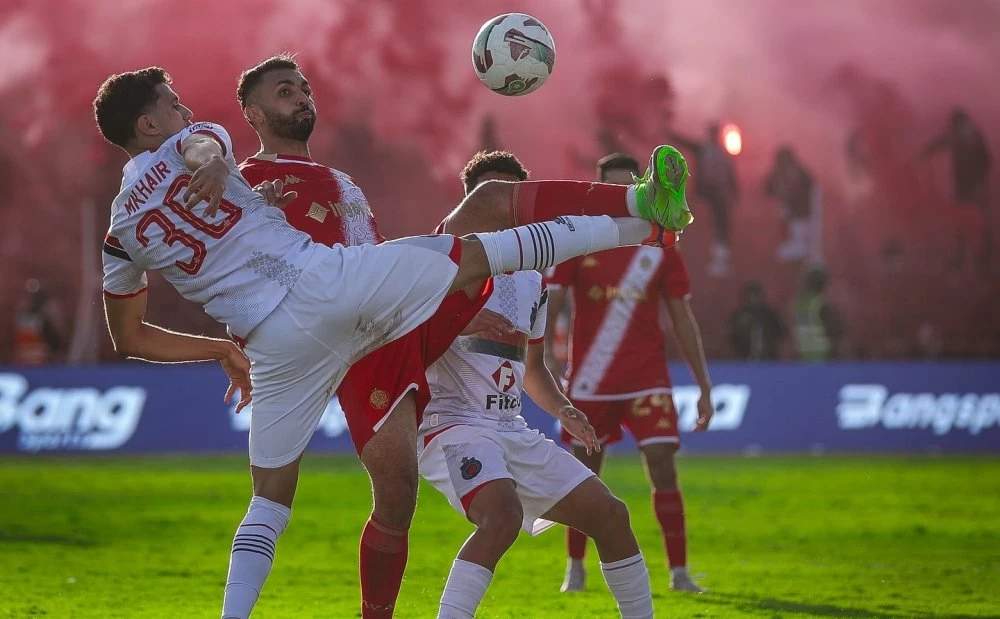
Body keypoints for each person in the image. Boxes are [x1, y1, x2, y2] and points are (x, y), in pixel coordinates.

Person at [92, 66, 692, 619]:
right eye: (283, 91)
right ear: (245, 113)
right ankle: (645, 215)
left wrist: (223, 345)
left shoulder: (126, 226)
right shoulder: (215, 156)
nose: (301, 96)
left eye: (303, 87)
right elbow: (200, 148)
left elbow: (131, 333)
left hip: (316, 332)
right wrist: (220, 163)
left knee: (274, 497)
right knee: (483, 234)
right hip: (345, 304)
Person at [418, 151, 656, 619]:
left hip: (511, 427)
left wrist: (563, 409)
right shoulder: (439, 262)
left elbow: (532, 366)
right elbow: (396, 334)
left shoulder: (532, 279)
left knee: (612, 516)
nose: (502, 212)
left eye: (513, 203)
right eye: (491, 198)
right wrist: (455, 325)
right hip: (452, 425)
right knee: (500, 517)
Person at [545, 153, 714, 594]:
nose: (621, 199)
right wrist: (539, 361)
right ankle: (575, 570)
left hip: (648, 377)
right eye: (611, 191)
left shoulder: (662, 244)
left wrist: (703, 385)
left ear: (641, 189)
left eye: (629, 190)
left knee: (662, 467)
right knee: (585, 475)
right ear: (599, 192)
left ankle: (679, 574)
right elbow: (552, 305)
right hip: (590, 380)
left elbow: (682, 318)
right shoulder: (579, 241)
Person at [918, 108, 992, 272]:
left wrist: (981, 184)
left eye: (958, 124)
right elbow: (938, 144)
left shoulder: (975, 138)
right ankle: (962, 258)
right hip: (963, 187)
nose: (957, 128)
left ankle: (985, 259)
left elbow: (987, 162)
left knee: (981, 222)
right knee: (964, 222)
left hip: (976, 188)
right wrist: (923, 154)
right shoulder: (956, 138)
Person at [669, 125, 739, 276]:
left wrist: (734, 190)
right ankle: (715, 258)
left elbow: (730, 174)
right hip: (708, 193)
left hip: (714, 194)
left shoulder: (717, 152)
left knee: (720, 225)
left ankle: (718, 259)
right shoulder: (711, 150)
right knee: (716, 225)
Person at [765, 146, 819, 263]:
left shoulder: (796, 172)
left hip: (799, 212)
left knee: (799, 236)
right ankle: (793, 246)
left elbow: (806, 187)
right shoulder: (783, 172)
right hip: (791, 210)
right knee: (788, 225)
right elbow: (768, 187)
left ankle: (798, 250)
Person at [726, 280, 786, 360]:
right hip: (743, 359)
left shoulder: (770, 315)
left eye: (756, 294)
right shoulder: (739, 316)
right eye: (751, 294)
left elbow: (782, 334)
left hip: (769, 359)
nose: (754, 298)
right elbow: (730, 336)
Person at [793, 267, 844, 362]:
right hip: (823, 356)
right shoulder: (822, 305)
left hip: (803, 356)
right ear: (822, 284)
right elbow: (835, 332)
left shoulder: (798, 305)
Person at [10, 279, 64, 365]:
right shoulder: (25, 318)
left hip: (39, 360)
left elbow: (55, 341)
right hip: (31, 360)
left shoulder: (44, 318)